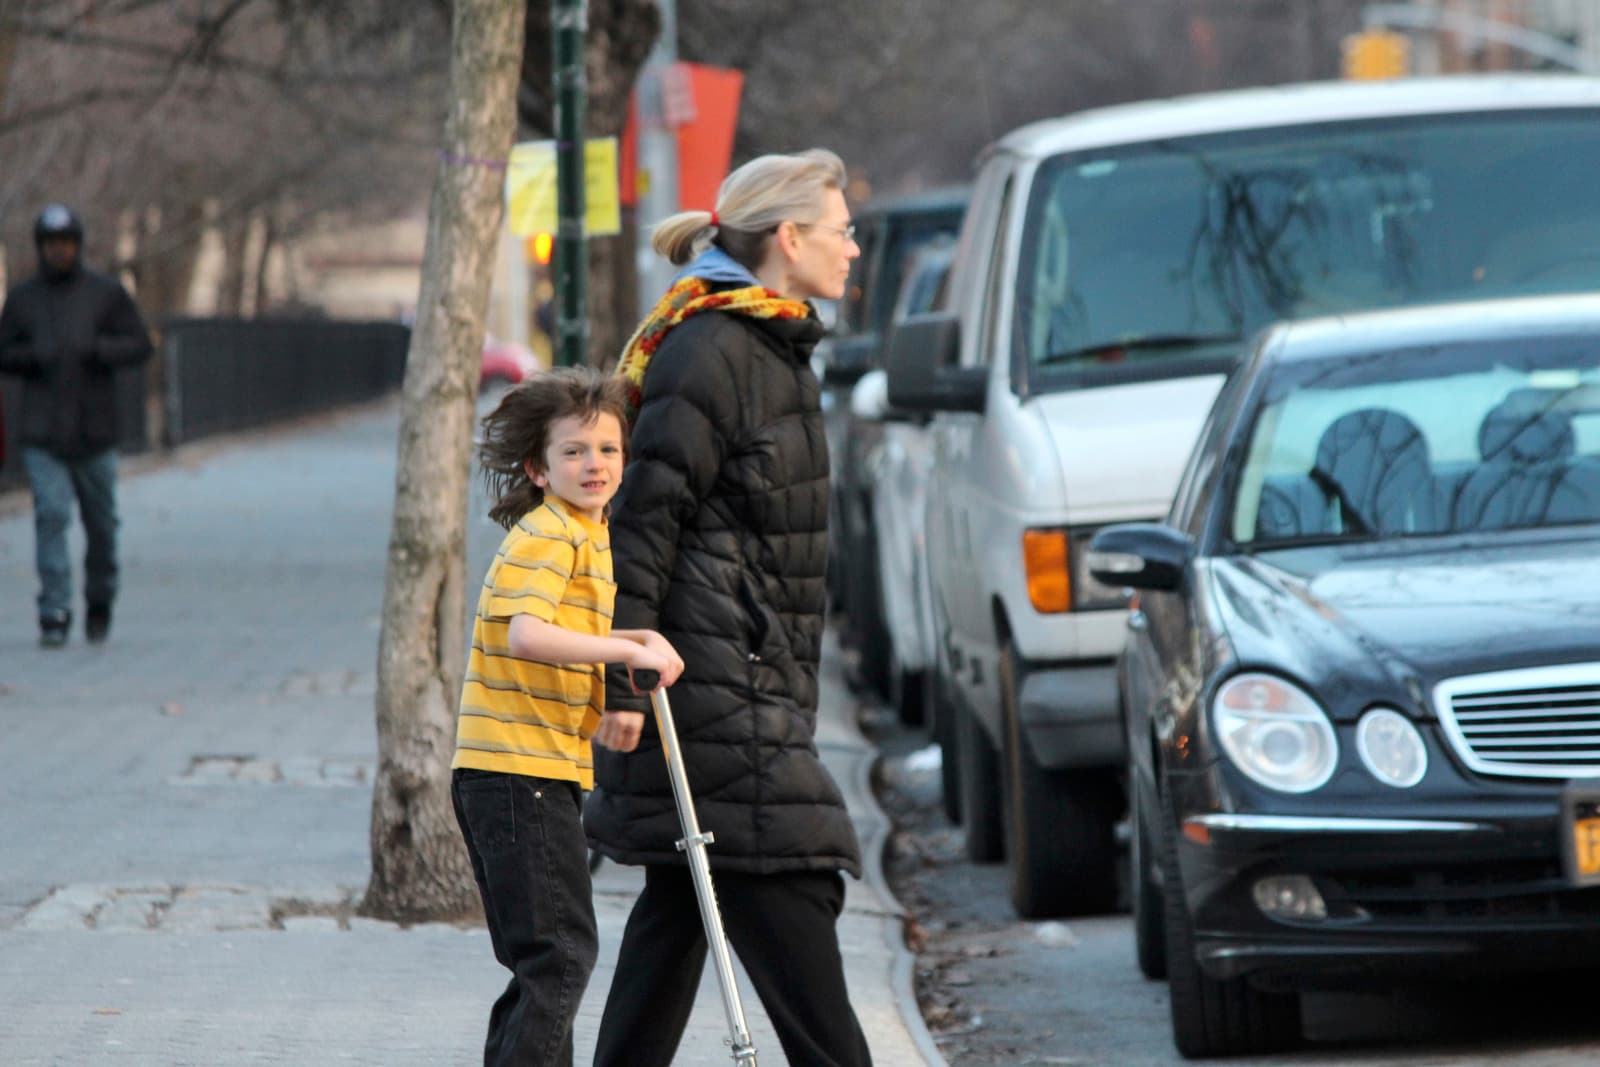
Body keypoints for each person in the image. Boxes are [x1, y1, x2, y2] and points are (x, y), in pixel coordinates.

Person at [585, 149, 871, 1067]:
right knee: (794, 870)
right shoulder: (714, 349)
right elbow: (642, 523)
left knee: (679, 911)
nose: (854, 248)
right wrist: (626, 684)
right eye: (841, 230)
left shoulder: (764, 342)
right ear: (788, 238)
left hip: (740, 685)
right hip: (711, 693)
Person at [450, 365, 683, 1067]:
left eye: (608, 450)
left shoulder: (585, 531)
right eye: (575, 451)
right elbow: (526, 632)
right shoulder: (552, 534)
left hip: (523, 770)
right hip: (519, 774)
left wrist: (629, 651)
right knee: (561, 957)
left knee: (543, 965)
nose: (595, 465)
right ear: (538, 468)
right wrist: (623, 648)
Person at [0, 203, 152, 647]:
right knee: (50, 515)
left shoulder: (106, 294)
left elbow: (139, 345)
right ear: (40, 248)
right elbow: (4, 352)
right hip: (44, 430)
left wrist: (98, 349)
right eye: (51, 245)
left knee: (101, 523)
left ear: (78, 245)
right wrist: (35, 355)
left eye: (66, 243)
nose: (59, 252)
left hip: (96, 430)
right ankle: (54, 608)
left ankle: (100, 597)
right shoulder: (24, 299)